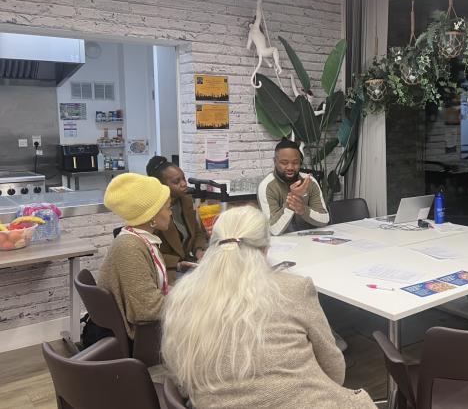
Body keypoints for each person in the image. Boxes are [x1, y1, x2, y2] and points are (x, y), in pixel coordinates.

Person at [161, 206, 375, 409]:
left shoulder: (181, 297)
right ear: (264, 249)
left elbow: (182, 380)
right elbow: (335, 370)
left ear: (212, 246)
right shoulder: (293, 288)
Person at [99, 173, 174, 339]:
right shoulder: (129, 247)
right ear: (152, 215)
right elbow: (148, 309)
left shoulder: (140, 240)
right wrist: (193, 302)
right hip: (141, 337)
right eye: (168, 208)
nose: (171, 213)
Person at [146, 156, 208, 283]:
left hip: (190, 263)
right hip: (167, 269)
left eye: (183, 178)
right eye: (176, 181)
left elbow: (197, 231)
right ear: (161, 185)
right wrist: (177, 264)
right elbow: (148, 253)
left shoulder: (186, 200)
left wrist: (199, 250)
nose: (184, 184)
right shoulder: (153, 212)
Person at [258, 138, 329, 236]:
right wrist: (292, 199)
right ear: (275, 161)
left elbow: (325, 219)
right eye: (284, 163)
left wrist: (303, 210)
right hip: (281, 242)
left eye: (295, 162)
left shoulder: (310, 181)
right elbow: (273, 229)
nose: (290, 167)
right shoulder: (267, 186)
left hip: (309, 239)